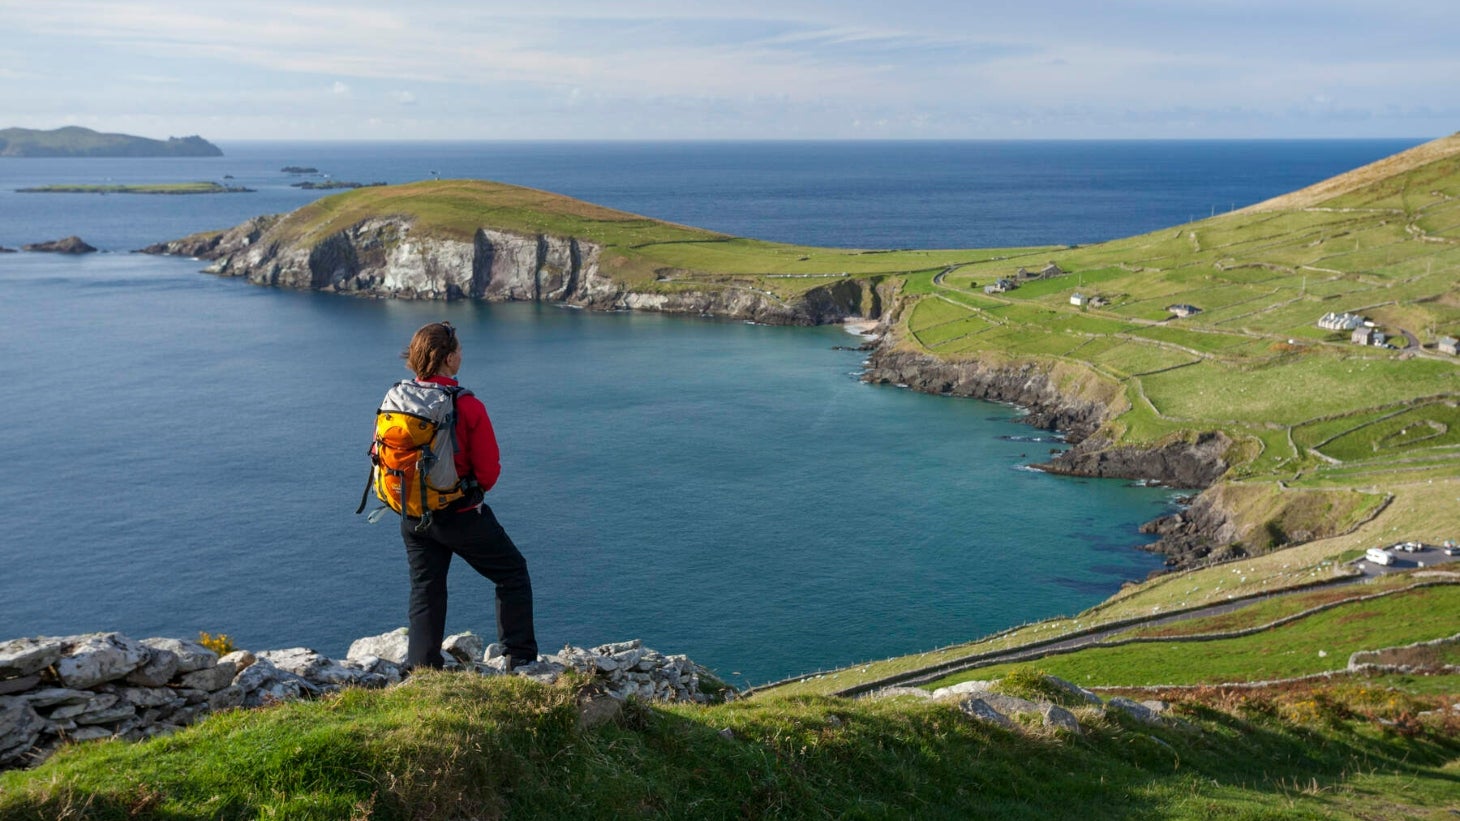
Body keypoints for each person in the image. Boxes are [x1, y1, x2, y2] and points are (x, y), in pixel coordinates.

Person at [396, 321, 538, 670]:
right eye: (458, 349)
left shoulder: (399, 399)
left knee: (426, 590)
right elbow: (488, 471)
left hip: (412, 512)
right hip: (458, 514)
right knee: (512, 573)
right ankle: (519, 658)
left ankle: (423, 669)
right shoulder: (466, 405)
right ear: (447, 358)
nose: (462, 354)